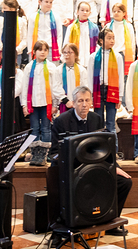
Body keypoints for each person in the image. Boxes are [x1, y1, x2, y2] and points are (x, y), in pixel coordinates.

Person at [49, 85, 132, 235]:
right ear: (73, 103)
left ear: (92, 102)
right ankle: (59, 229)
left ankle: (109, 222)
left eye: (87, 100)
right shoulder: (61, 121)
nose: (84, 104)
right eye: (80, 101)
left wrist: (114, 167)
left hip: (94, 169)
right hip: (72, 170)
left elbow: (105, 149)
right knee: (58, 184)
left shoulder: (96, 119)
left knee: (124, 182)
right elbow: (54, 153)